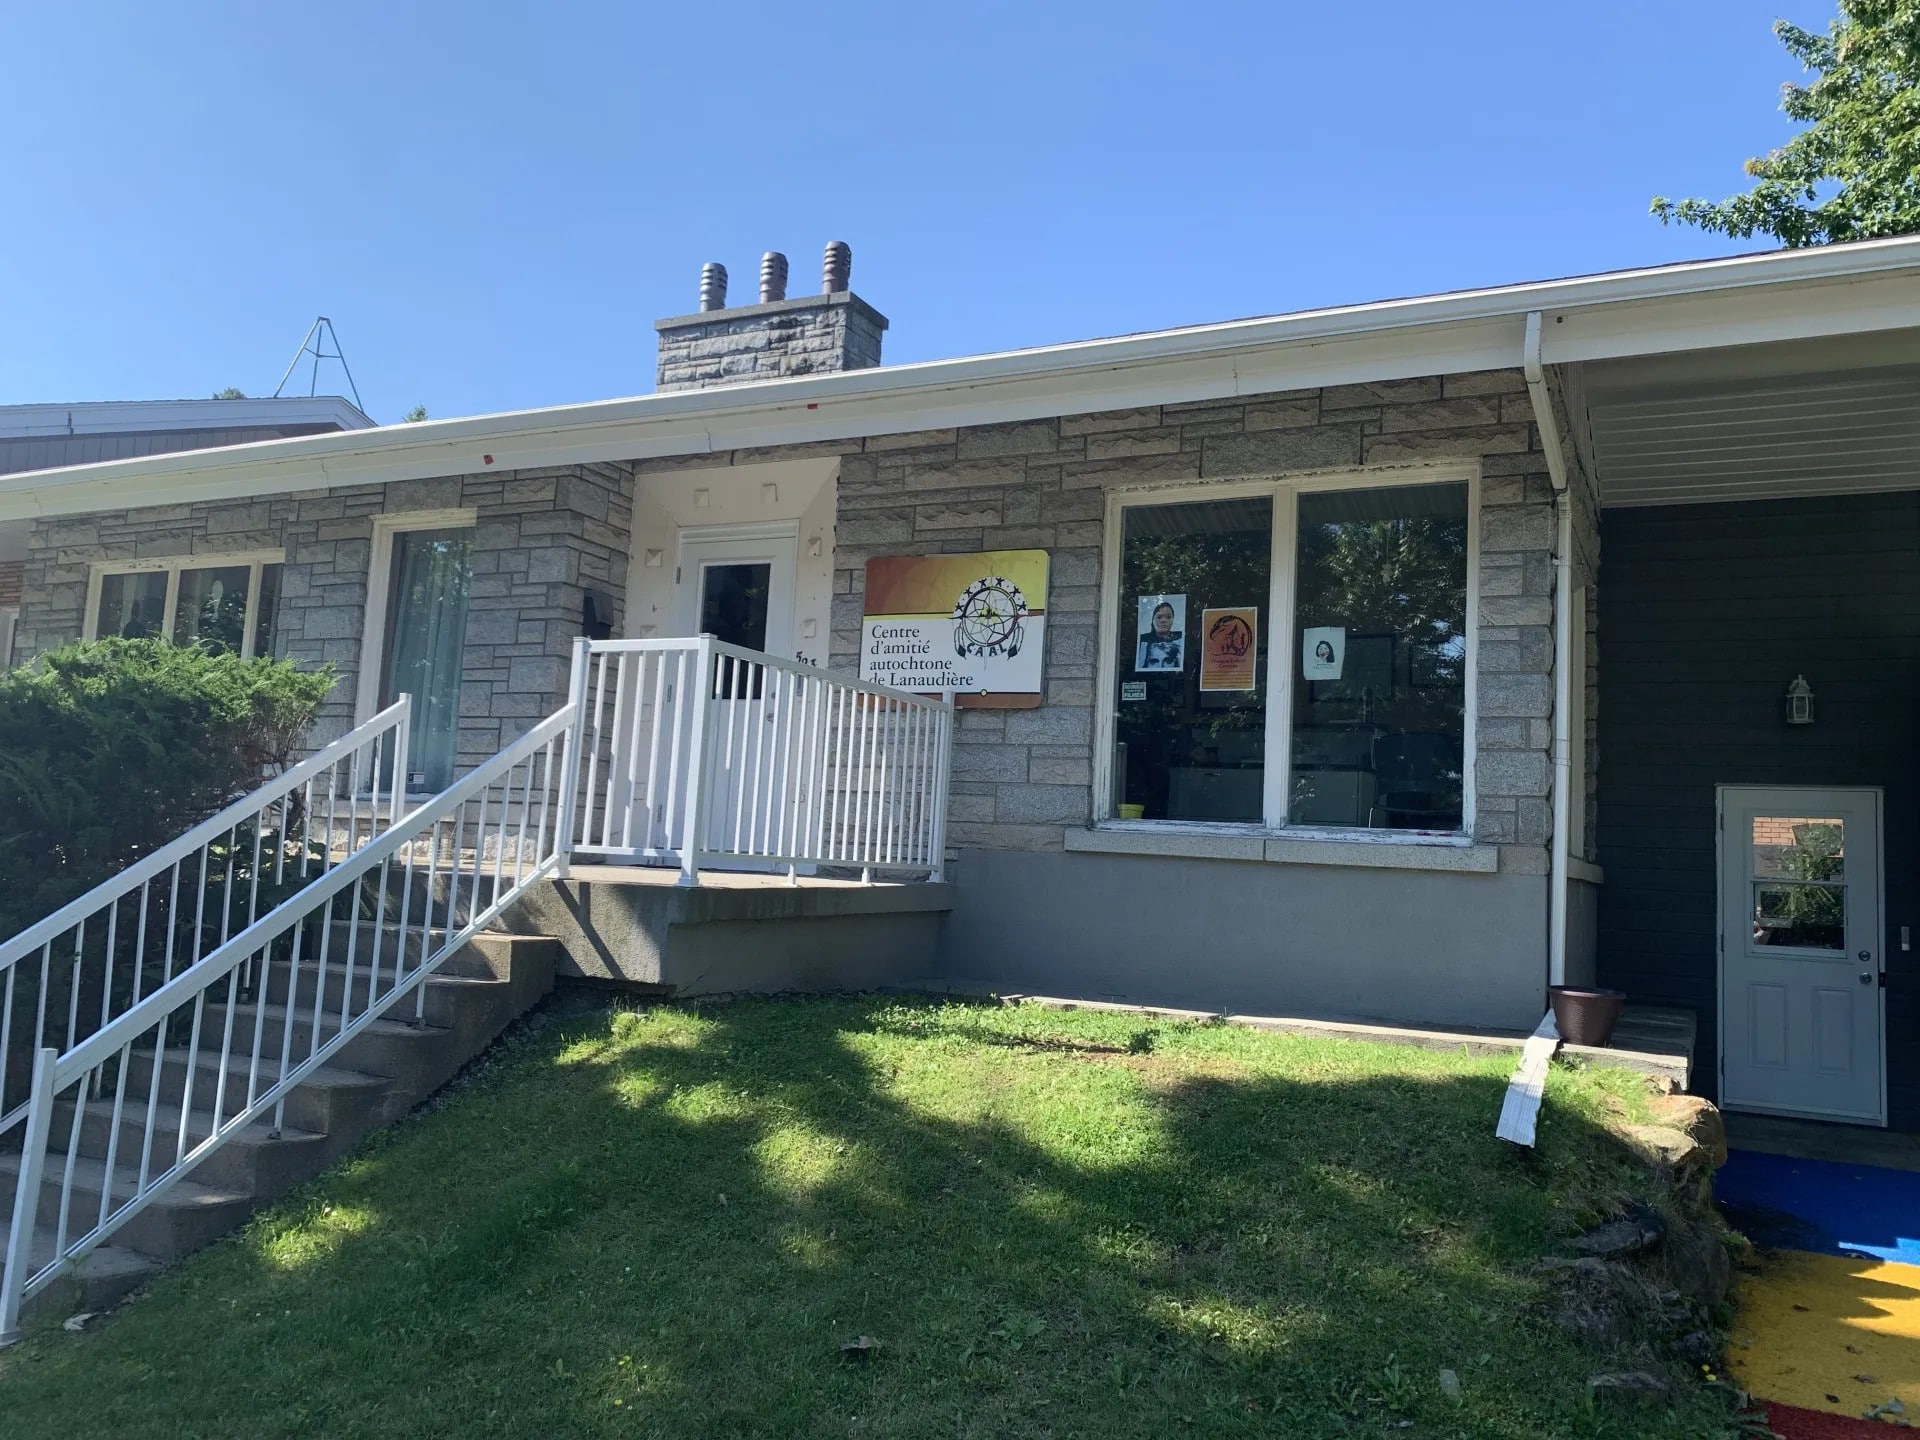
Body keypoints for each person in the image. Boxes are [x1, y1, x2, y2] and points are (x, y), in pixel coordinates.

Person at [1138, 601, 1182, 670]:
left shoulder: (1180, 639)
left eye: (1168, 617)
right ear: (1152, 620)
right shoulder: (1141, 640)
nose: (1163, 620)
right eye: (1159, 617)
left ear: (1173, 620)